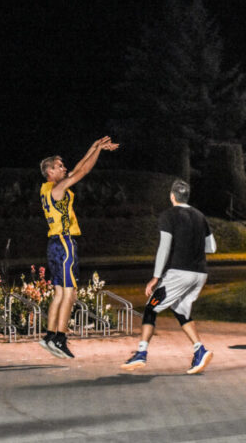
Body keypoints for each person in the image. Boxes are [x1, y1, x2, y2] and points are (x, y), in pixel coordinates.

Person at [121, 179, 217, 374]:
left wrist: (155, 277)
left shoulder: (168, 215)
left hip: (179, 273)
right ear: (187, 196)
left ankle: (141, 353)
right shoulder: (200, 216)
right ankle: (200, 350)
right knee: (181, 311)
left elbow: (164, 247)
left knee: (150, 308)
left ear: (172, 196)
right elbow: (212, 248)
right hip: (200, 273)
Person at [38, 136, 118, 359]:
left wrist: (95, 146)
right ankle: (60, 339)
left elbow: (78, 169)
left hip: (54, 244)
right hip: (64, 243)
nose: (64, 168)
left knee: (58, 293)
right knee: (69, 293)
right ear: (50, 171)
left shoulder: (48, 188)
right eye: (59, 166)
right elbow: (83, 172)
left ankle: (49, 336)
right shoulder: (58, 188)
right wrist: (98, 150)